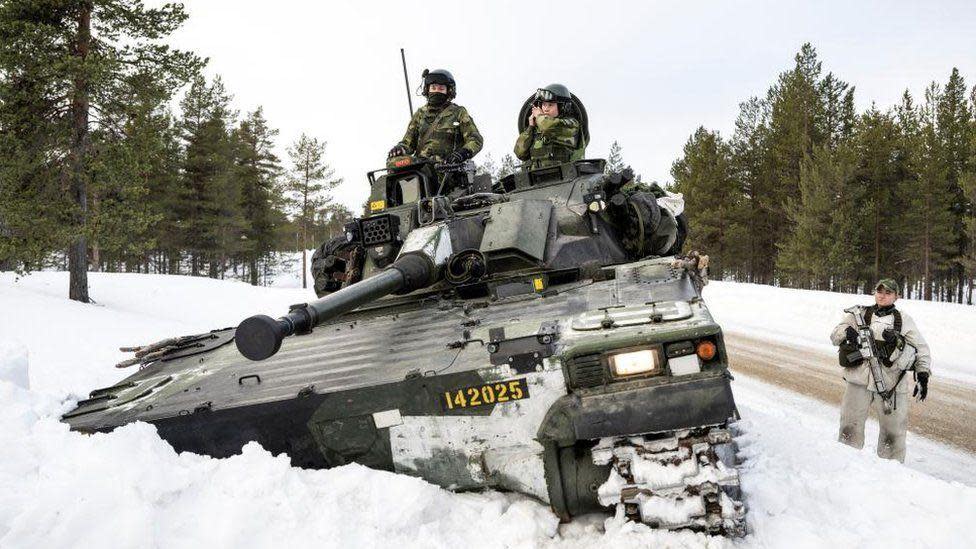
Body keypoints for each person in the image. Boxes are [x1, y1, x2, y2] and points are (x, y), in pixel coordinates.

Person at [829, 278, 931, 462]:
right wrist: (847, 333)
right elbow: (835, 335)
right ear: (874, 292)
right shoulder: (858, 314)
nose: (882, 295)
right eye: (879, 291)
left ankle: (891, 473)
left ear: (896, 296)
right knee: (849, 426)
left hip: (891, 385)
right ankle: (845, 464)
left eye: (888, 292)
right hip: (859, 381)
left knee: (894, 433)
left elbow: (921, 349)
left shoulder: (904, 320)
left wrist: (923, 374)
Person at [388, 69, 483, 165]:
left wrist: (462, 153)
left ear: (449, 91)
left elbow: (475, 139)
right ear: (427, 90)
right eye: (433, 88)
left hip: (447, 167)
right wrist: (400, 148)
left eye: (441, 89)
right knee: (393, 162)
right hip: (421, 166)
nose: (436, 91)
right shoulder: (420, 114)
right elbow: (408, 143)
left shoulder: (458, 112)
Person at [514, 84, 587, 169]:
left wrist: (538, 117)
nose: (546, 109)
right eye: (544, 104)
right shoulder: (537, 128)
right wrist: (530, 128)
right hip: (538, 178)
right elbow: (519, 153)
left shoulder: (571, 125)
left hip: (567, 177)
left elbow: (548, 127)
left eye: (550, 105)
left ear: (562, 107)